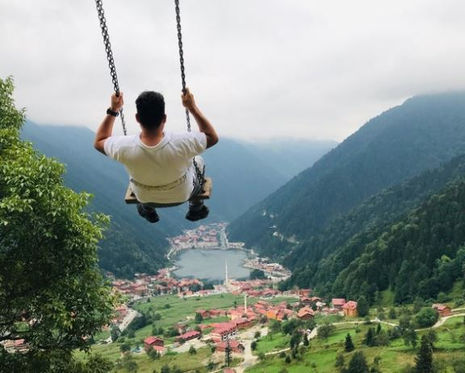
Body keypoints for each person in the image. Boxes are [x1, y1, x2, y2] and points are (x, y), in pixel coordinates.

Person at [94, 88, 218, 223]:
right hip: (182, 194)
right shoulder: (182, 142)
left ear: (137, 118)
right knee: (197, 160)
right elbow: (212, 137)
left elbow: (99, 141)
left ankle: (148, 210)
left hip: (144, 196)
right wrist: (191, 107)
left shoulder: (124, 146)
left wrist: (113, 109)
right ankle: (196, 207)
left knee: (142, 173)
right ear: (164, 118)